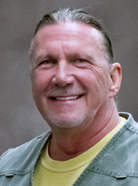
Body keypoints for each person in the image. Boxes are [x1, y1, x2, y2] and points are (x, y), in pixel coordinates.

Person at [0, 8, 138, 186]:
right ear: (32, 80)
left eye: (80, 60)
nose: (62, 78)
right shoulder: (7, 171)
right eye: (47, 62)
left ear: (113, 79)